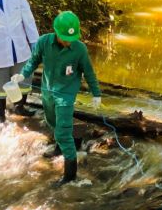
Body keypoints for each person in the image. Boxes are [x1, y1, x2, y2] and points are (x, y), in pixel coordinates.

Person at [17, 11, 102, 186]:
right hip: (47, 91)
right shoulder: (44, 42)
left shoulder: (79, 49)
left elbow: (89, 72)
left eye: (71, 38)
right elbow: (33, 61)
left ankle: (70, 177)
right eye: (64, 38)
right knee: (52, 121)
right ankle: (58, 148)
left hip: (66, 95)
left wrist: (96, 94)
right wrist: (22, 74)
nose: (67, 41)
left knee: (63, 132)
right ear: (56, 32)